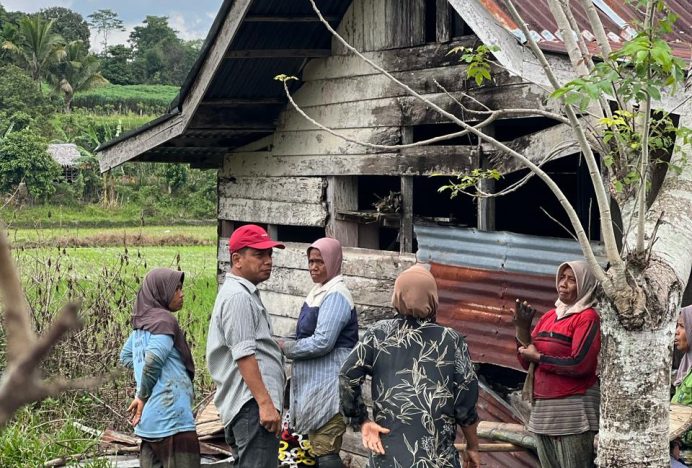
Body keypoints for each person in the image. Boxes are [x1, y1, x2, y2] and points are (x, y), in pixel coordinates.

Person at [340, 264, 480, 468]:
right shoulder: (450, 341)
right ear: (432, 298)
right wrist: (472, 446)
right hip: (436, 459)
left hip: (388, 457)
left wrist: (362, 421)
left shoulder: (378, 334)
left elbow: (346, 375)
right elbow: (465, 404)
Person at [206, 224, 286, 468]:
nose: (268, 261)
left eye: (270, 254)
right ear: (237, 259)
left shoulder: (242, 293)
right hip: (251, 405)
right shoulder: (238, 297)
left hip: (249, 405)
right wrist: (265, 404)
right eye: (259, 255)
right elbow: (244, 356)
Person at [279, 237, 358, 468]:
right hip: (317, 386)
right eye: (311, 261)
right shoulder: (318, 292)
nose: (313, 267)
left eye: (320, 262)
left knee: (325, 446)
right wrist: (280, 342)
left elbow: (323, 342)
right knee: (319, 445)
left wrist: (287, 348)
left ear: (333, 262)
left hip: (331, 385)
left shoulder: (337, 296)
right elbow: (301, 334)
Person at [517, 260, 600, 468]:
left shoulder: (587, 317)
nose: (563, 284)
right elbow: (527, 363)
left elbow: (580, 364)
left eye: (572, 280)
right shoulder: (548, 317)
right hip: (543, 413)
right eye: (562, 277)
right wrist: (522, 330)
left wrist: (540, 358)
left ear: (585, 285)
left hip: (573, 413)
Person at [119, 268, 199, 468]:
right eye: (176, 289)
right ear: (161, 292)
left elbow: (127, 356)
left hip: (150, 425)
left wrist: (148, 375)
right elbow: (153, 360)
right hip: (173, 422)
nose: (182, 294)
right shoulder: (164, 321)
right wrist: (142, 394)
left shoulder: (142, 326)